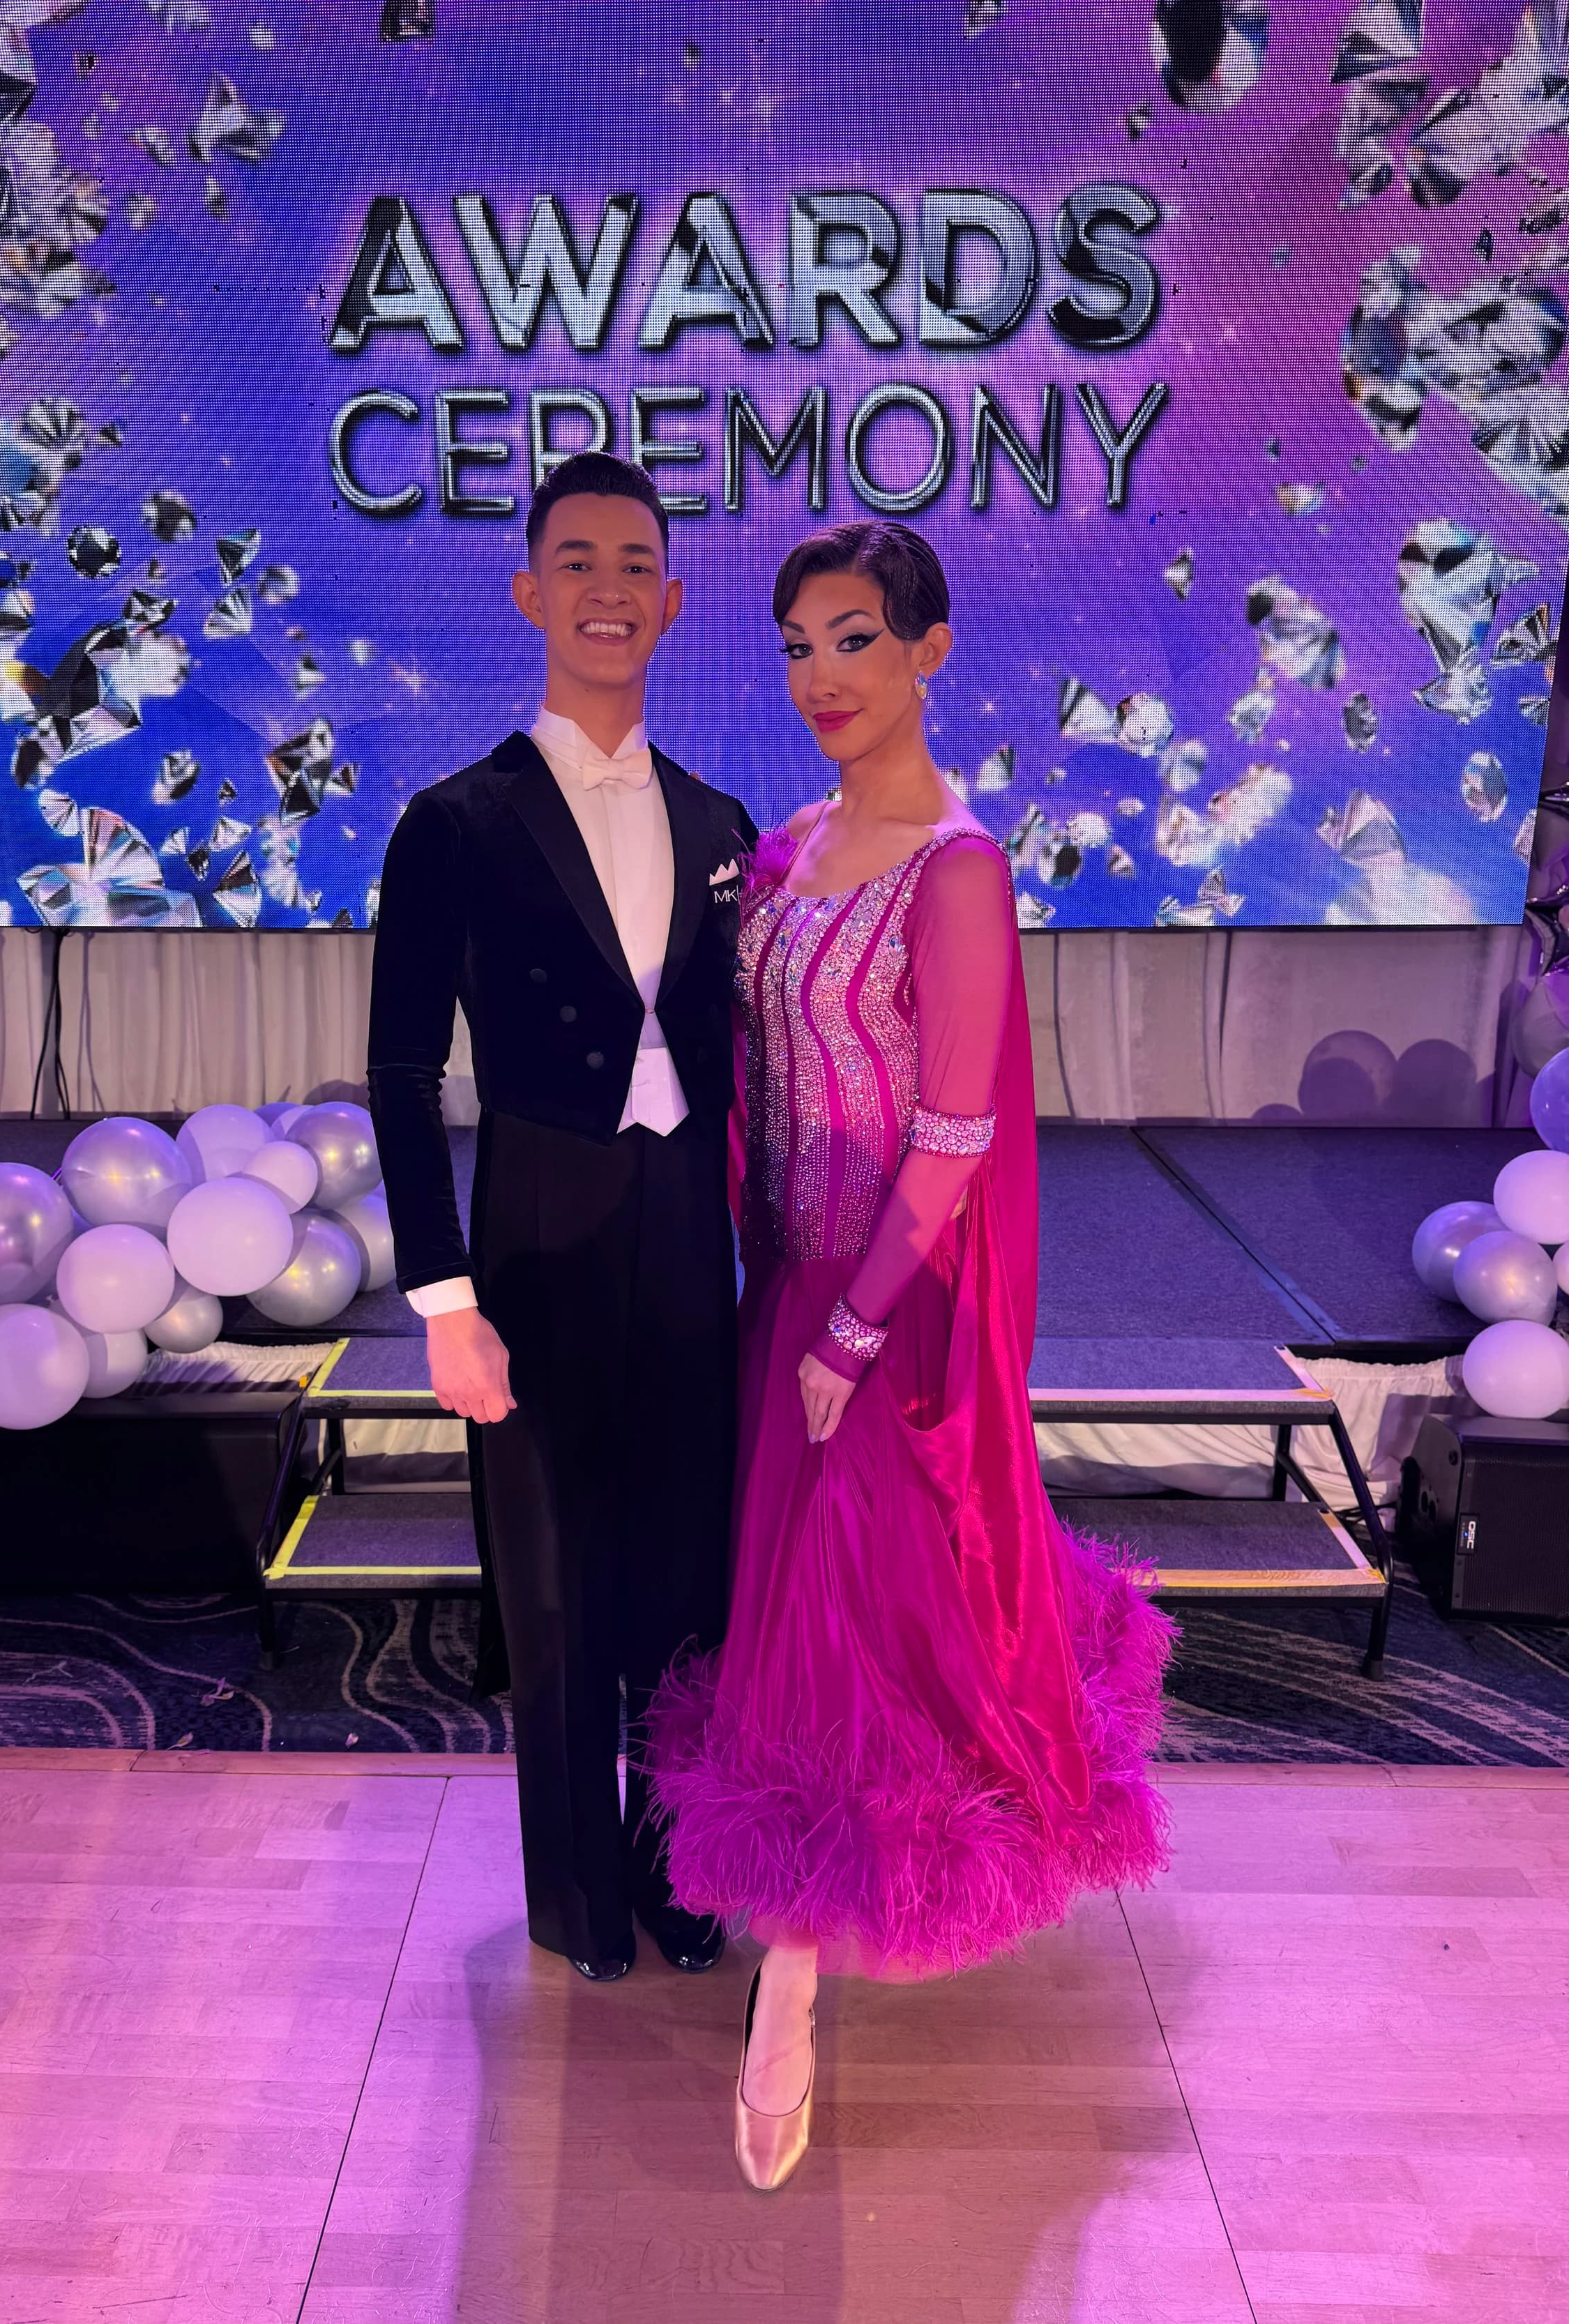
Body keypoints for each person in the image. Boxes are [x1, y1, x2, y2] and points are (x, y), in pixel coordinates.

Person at [644, 519, 1174, 2192]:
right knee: (824, 1617)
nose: (820, 676)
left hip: (893, 1305)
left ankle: (786, 1987)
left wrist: (859, 1326)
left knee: (842, 1620)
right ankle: (796, 1932)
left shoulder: (957, 868)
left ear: (929, 649)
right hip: (781, 1285)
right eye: (799, 643)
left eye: (856, 638)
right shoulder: (784, 849)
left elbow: (949, 1129)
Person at [367, 453, 757, 1981]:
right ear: (531, 592)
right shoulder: (452, 822)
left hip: (686, 1231)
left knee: (684, 1574)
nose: (607, 588)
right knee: (551, 1577)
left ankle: (674, 1871)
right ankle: (576, 1897)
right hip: (530, 1225)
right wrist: (443, 1300)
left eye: (635, 562)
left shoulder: (720, 816)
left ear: (669, 602)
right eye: (575, 560)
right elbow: (402, 1077)